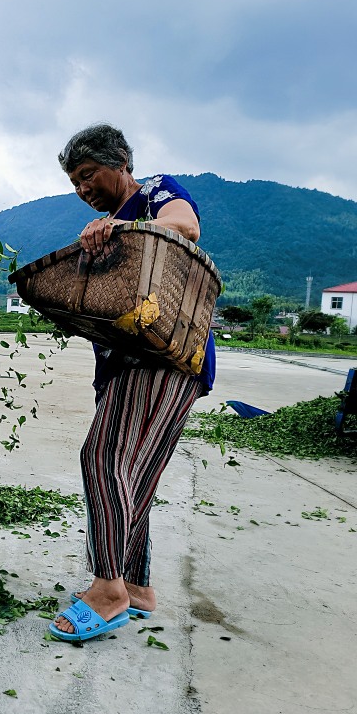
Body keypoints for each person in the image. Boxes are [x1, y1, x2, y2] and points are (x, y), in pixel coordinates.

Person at [49, 123, 217, 642]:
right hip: (126, 365)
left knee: (102, 459)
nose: (83, 189)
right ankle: (138, 587)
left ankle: (108, 589)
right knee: (133, 475)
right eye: (75, 182)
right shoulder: (104, 223)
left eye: (88, 175)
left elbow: (183, 225)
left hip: (160, 360)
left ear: (120, 163)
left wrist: (117, 231)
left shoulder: (152, 193)